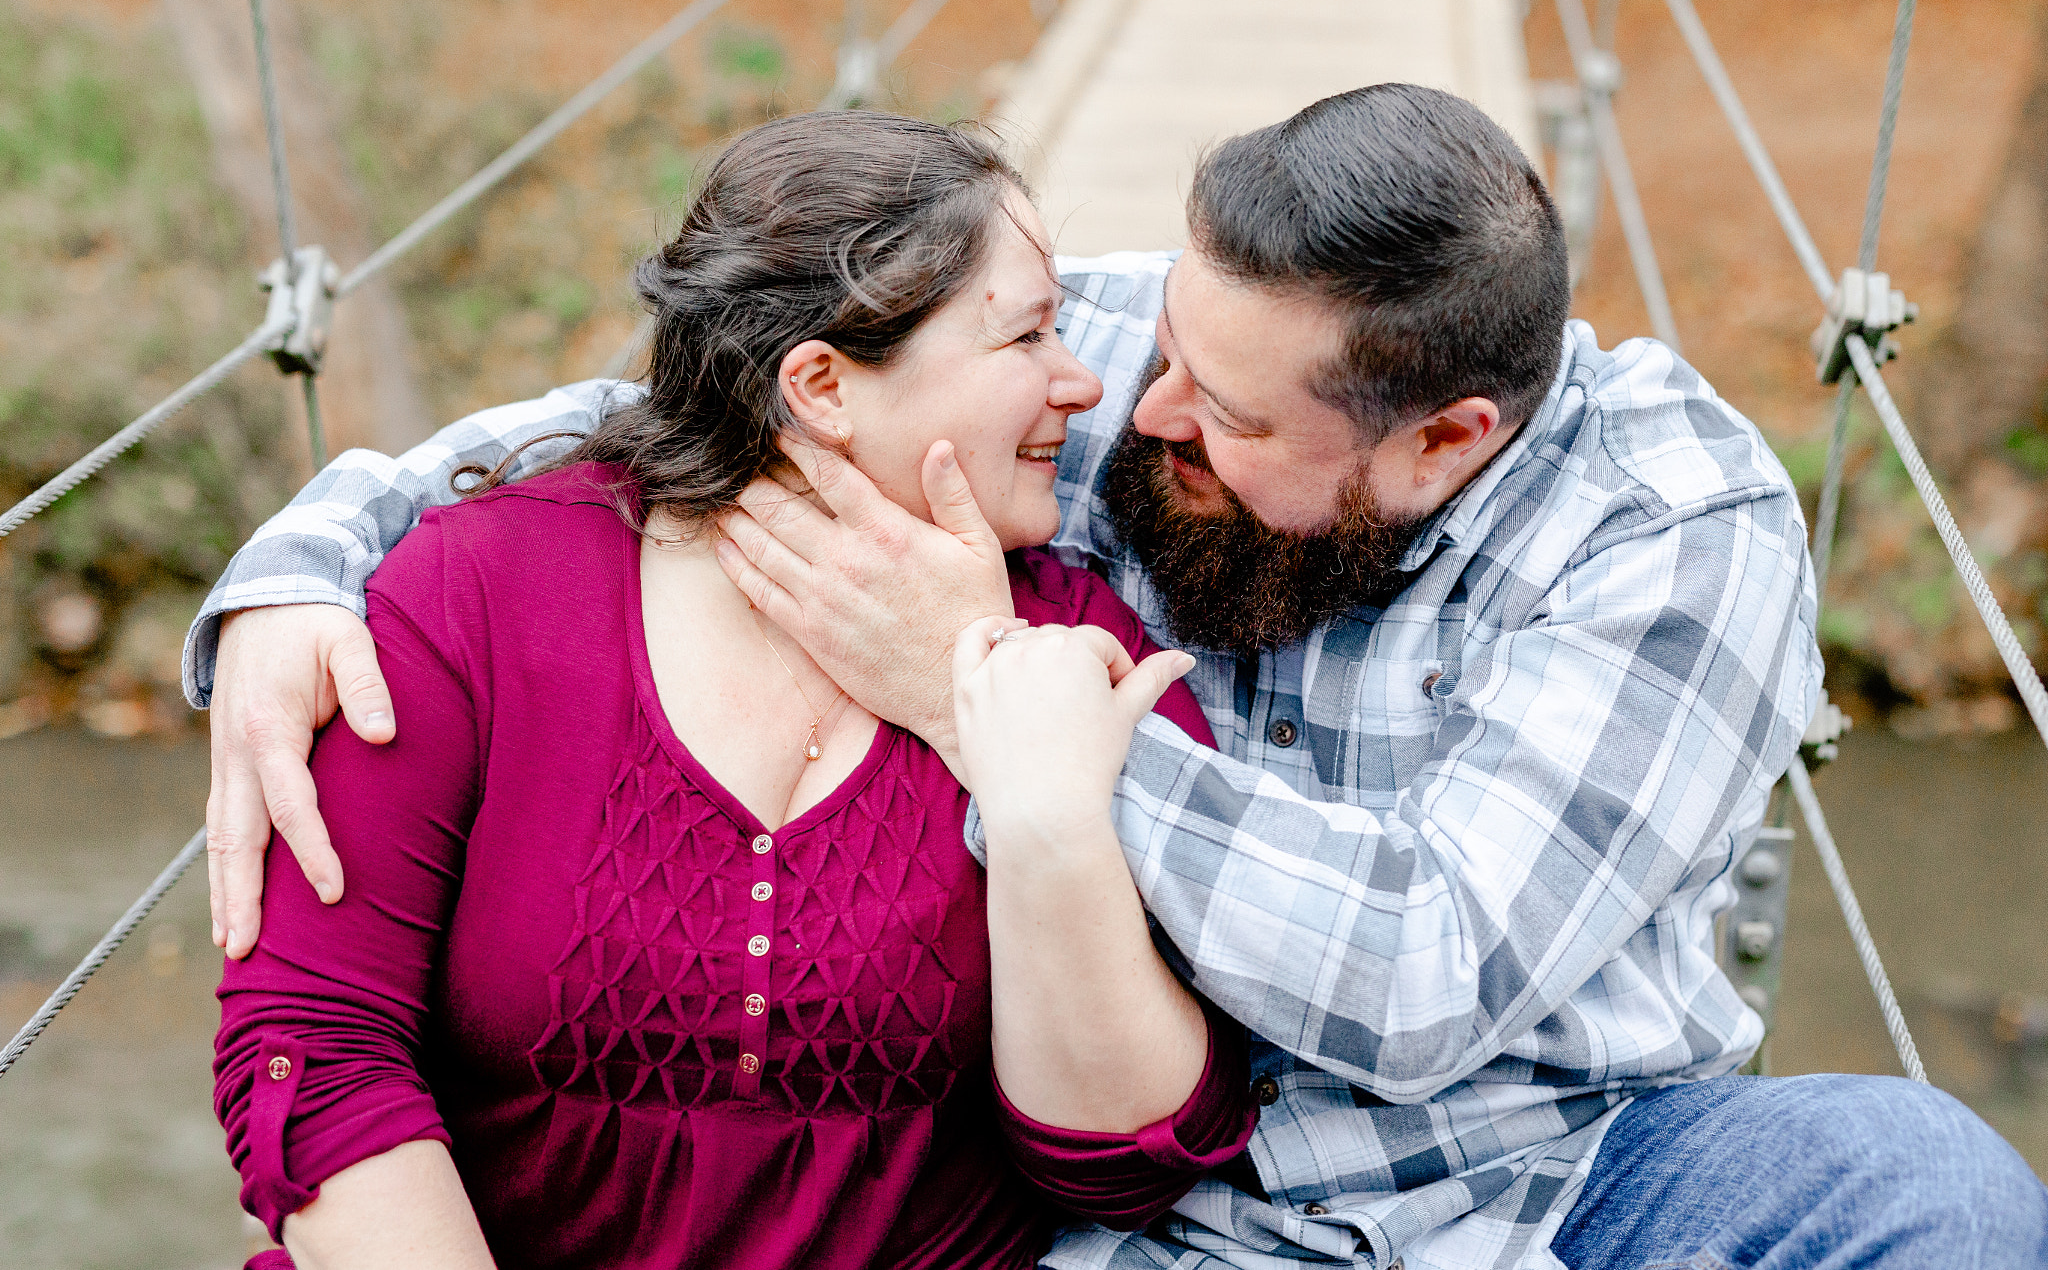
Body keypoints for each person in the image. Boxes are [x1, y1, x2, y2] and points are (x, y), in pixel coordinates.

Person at [191, 86, 2048, 1269]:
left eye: (1224, 417)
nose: (1131, 408)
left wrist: (980, 687)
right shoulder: (1140, 353)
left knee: (1923, 1181)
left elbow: (1421, 980)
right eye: (1150, 336)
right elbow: (721, 390)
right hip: (1181, 1228)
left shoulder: (1670, 525)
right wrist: (314, 550)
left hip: (1544, 1178)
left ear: (1441, 439)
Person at [210, 111, 1258, 1270]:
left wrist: (1044, 814)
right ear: (819, 385)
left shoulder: (1072, 645)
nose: (1084, 383)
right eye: (1026, 338)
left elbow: (1125, 1162)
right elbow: (317, 1047)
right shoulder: (478, 595)